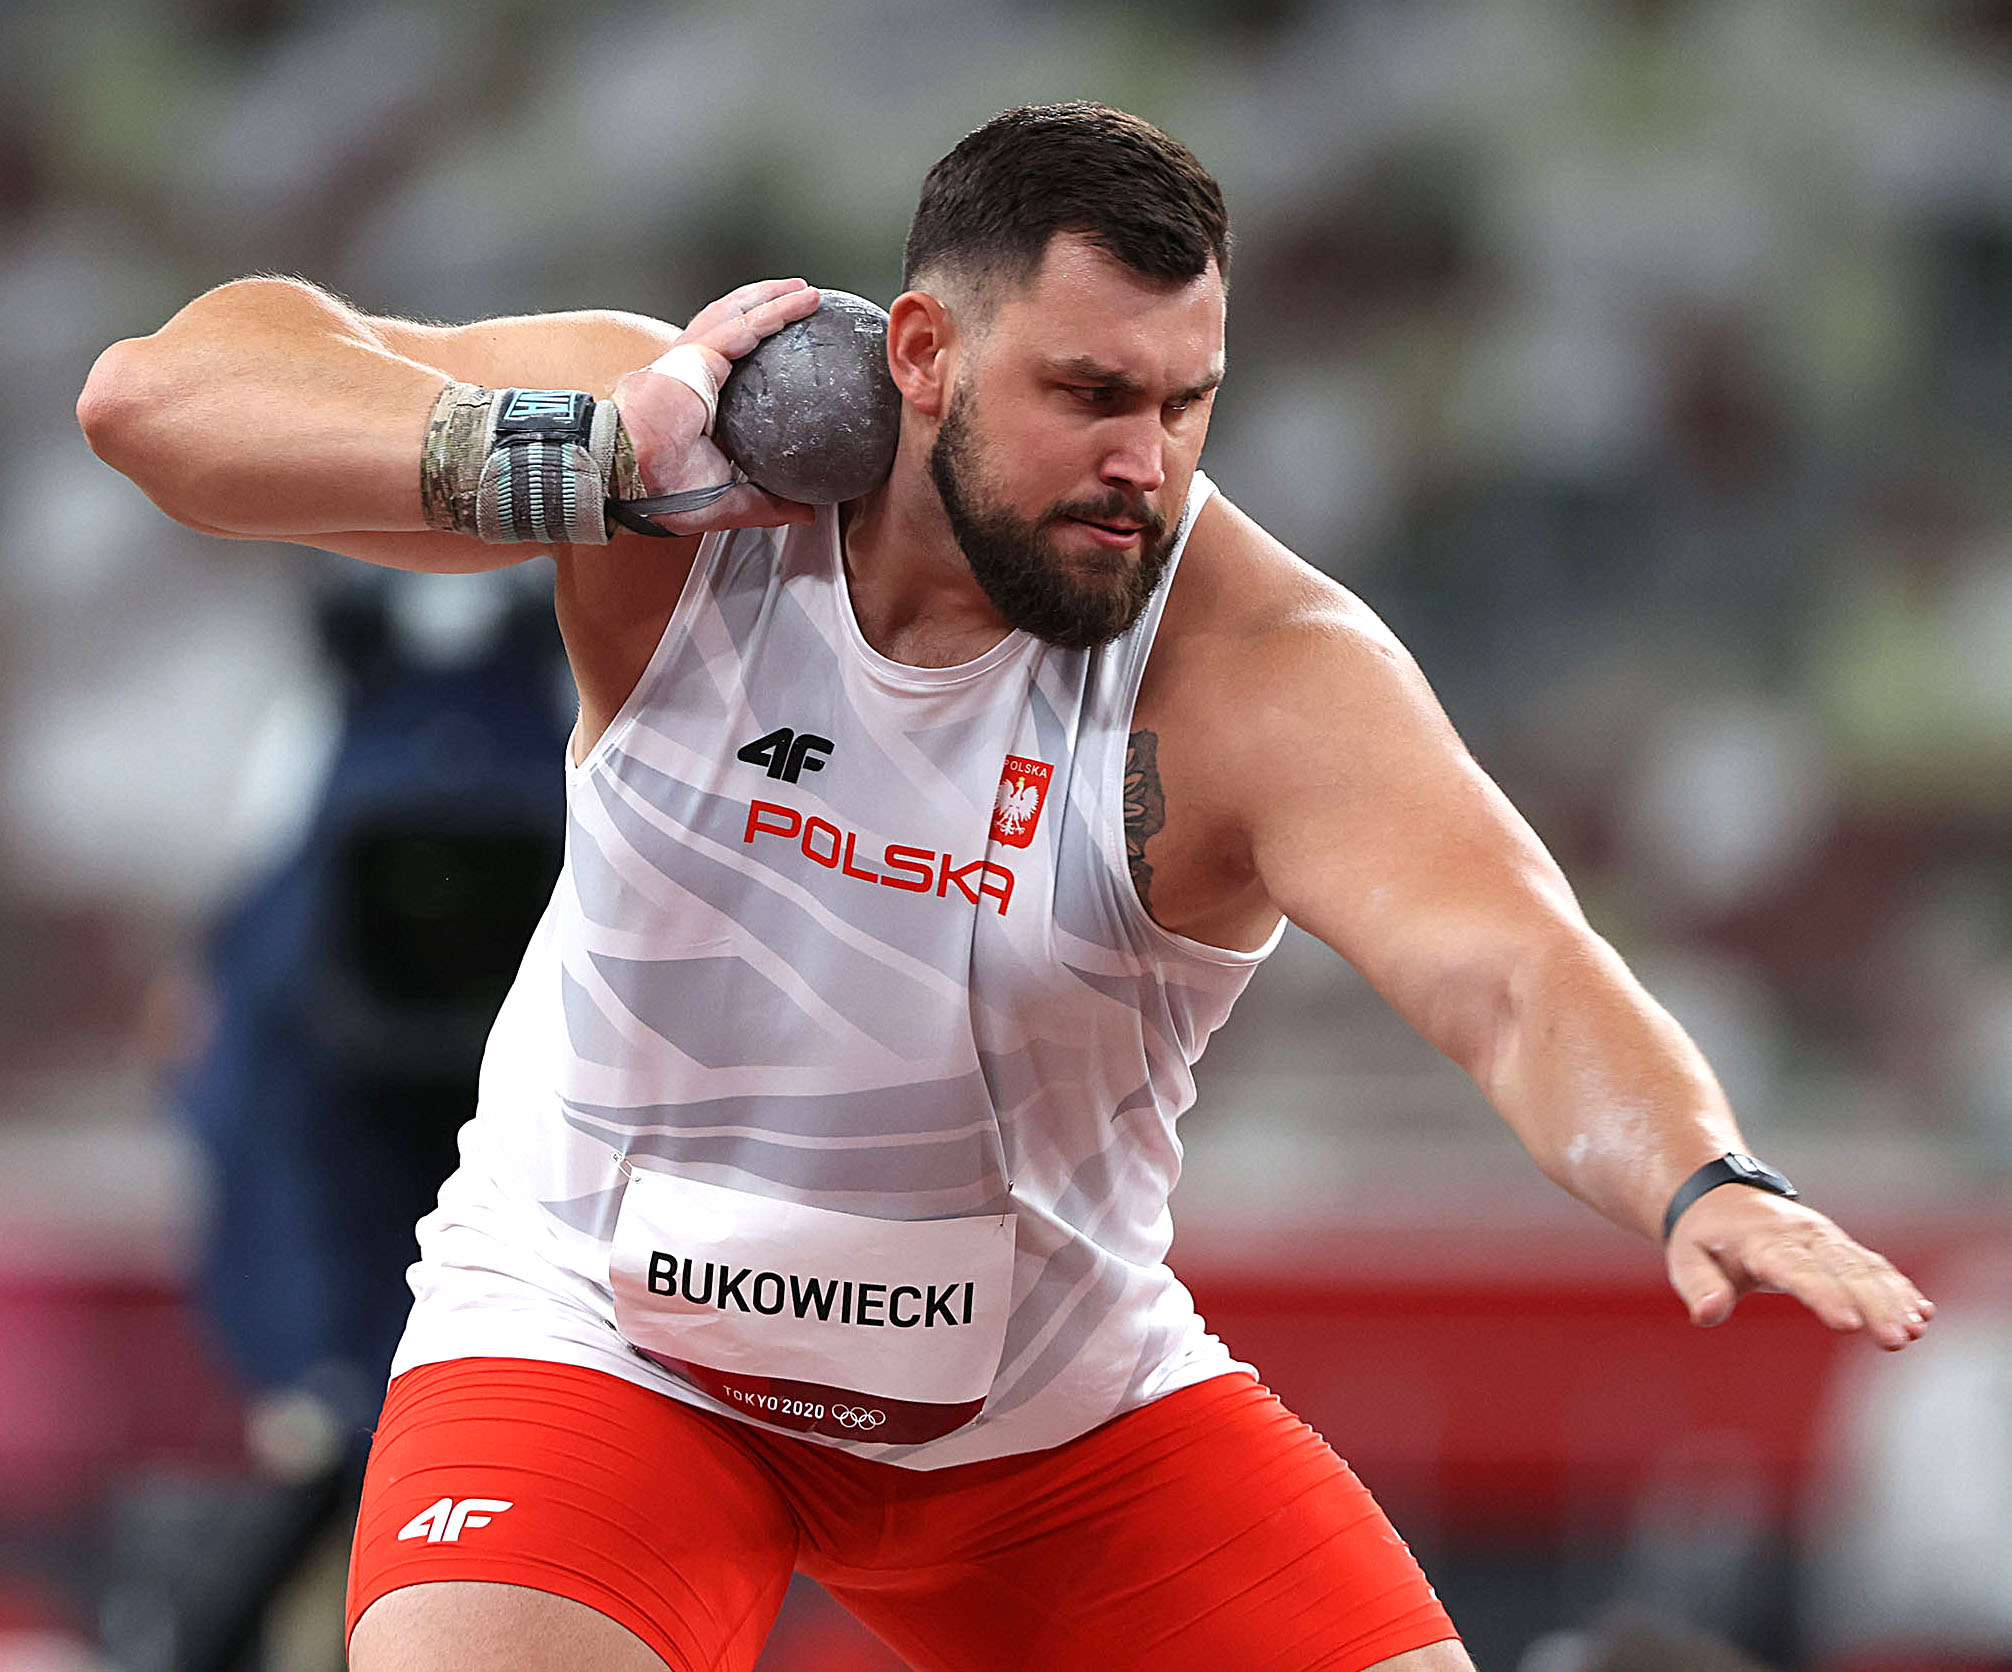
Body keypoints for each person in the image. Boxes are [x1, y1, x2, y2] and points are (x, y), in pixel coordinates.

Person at [78, 103, 1933, 1672]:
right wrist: (576, 466)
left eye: (1190, 404)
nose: (1147, 467)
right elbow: (160, 400)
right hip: (604, 1349)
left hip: (1046, 1421)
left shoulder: (1256, 670)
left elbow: (1514, 967)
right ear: (920, 356)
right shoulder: (678, 474)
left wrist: (1700, 1168)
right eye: (1091, 394)